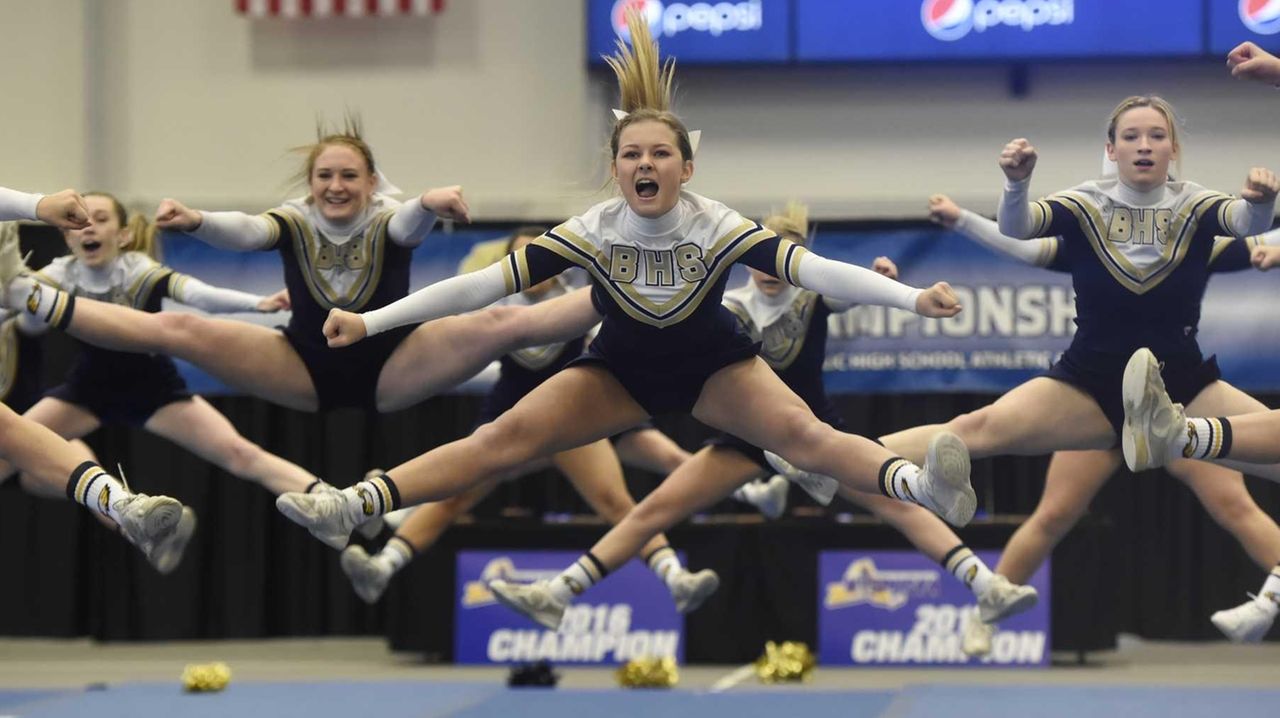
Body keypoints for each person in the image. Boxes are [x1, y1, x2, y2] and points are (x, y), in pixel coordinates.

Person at [275, 12, 974, 629]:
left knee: (807, 438)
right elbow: (483, 287)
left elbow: (815, 271)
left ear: (686, 166)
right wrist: (373, 323)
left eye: (660, 153)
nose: (645, 163)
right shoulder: (593, 229)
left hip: (713, 369)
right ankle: (356, 503)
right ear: (615, 169)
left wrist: (913, 297)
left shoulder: (717, 224)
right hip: (622, 373)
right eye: (631, 155)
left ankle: (925, 488)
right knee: (502, 438)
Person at [0, 119, 601, 417]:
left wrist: (430, 202)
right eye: (325, 176)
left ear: (370, 183)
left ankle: (609, 301)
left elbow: (408, 225)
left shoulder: (387, 217)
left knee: (497, 323)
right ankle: (43, 299)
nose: (335, 186)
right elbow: (249, 230)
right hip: (299, 367)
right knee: (181, 329)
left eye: (348, 176)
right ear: (310, 184)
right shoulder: (292, 220)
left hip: (397, 367)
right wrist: (196, 220)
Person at [922, 193, 1280, 651]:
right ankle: (988, 608)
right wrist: (964, 219)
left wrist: (1267, 247)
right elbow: (1026, 247)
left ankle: (1270, 601)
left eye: (1156, 138)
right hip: (1096, 397)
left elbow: (1261, 236)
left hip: (1178, 397)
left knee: (1235, 506)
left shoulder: (1194, 230)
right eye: (1131, 138)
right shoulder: (1095, 233)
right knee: (1053, 513)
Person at [341, 228, 716, 610]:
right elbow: (454, 342)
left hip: (567, 420)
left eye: (539, 262)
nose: (534, 273)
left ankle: (675, 577)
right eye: (523, 262)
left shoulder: (579, 305)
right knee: (452, 498)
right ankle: (383, 566)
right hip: (507, 421)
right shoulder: (498, 312)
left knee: (614, 501)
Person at [0, 185, 188, 571]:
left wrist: (38, 206)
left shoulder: (138, 273)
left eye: (103, 220)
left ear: (123, 235)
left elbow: (191, 301)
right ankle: (122, 509)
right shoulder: (55, 274)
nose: (91, 230)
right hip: (70, 386)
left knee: (20, 442)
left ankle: (123, 508)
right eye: (89, 222)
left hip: (127, 387)